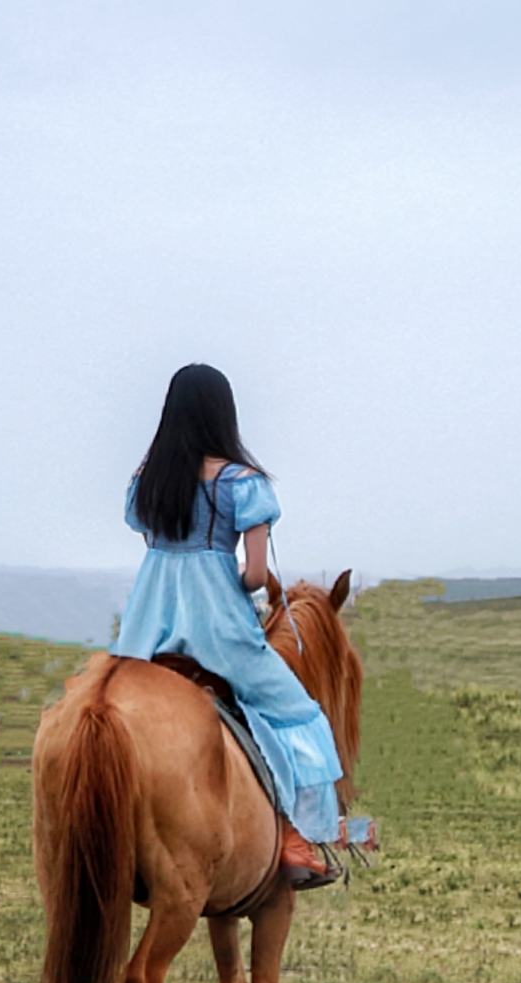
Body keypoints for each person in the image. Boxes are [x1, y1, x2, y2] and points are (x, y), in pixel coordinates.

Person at [109, 363, 354, 890]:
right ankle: (295, 840)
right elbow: (257, 576)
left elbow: (157, 547)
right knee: (299, 715)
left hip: (148, 627)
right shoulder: (244, 484)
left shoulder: (147, 483)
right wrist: (236, 579)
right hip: (217, 629)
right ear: (224, 414)